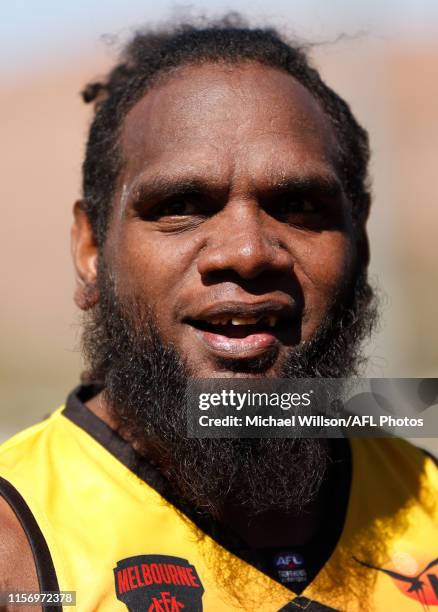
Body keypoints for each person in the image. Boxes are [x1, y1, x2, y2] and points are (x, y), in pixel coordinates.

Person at [0, 16, 436, 612]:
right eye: (180, 206)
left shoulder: (426, 502)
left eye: (298, 204)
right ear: (91, 249)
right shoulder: (17, 550)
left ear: (359, 243)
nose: (248, 252)